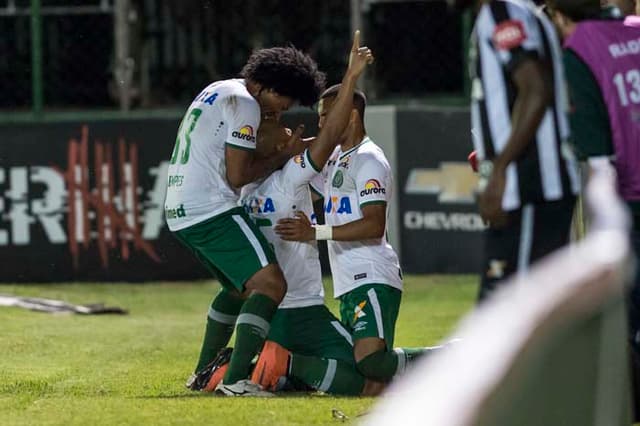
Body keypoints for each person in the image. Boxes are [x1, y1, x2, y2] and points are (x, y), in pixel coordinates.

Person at [187, 31, 386, 396]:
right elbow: (331, 135)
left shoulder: (239, 185)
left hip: (265, 317)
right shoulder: (290, 174)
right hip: (301, 310)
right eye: (274, 119)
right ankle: (281, 364)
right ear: (279, 142)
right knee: (370, 378)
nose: (277, 120)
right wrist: (352, 77)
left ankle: (243, 368)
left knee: (232, 290)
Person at [164, 45, 325, 396]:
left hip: (179, 209)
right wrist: (283, 155)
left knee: (238, 290)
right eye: (285, 100)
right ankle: (237, 381)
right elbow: (238, 177)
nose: (284, 109)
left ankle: (203, 376)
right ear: (269, 85)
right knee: (270, 285)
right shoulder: (248, 105)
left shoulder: (219, 89)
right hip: (210, 207)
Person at [274, 84, 432, 384]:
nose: (322, 123)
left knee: (373, 363)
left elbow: (373, 226)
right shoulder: (336, 158)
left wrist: (314, 232)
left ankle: (452, 357)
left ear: (352, 115)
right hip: (348, 281)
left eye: (327, 115)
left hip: (371, 274)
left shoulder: (370, 159)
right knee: (363, 366)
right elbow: (308, 180)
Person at [543, 0, 640, 416]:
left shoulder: (579, 48)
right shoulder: (636, 28)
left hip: (630, 199)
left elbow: (598, 160)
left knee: (624, 318)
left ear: (563, 17)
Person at [467, 0, 580, 302]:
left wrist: (500, 171)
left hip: (530, 187)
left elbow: (534, 89)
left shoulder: (502, 12)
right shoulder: (524, 12)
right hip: (534, 188)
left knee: (503, 316)